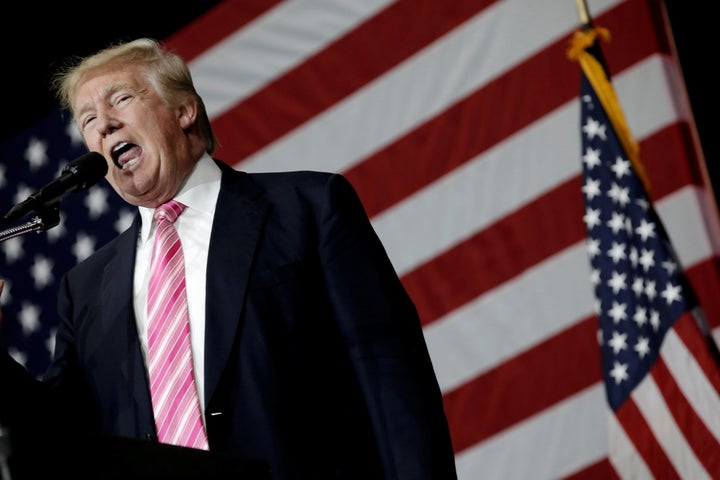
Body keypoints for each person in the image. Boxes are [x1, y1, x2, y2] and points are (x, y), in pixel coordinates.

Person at [0, 38, 457, 479]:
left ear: (184, 110)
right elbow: (59, 432)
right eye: (88, 119)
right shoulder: (84, 288)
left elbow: (391, 377)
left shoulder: (308, 208)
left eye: (121, 99)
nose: (104, 124)